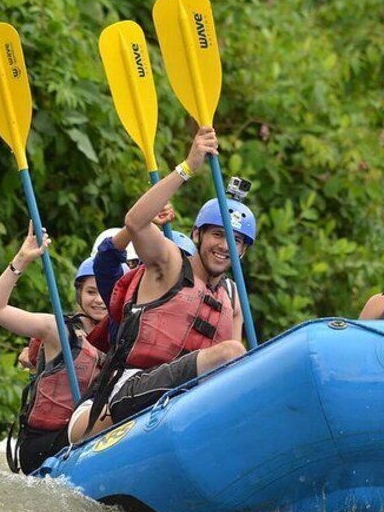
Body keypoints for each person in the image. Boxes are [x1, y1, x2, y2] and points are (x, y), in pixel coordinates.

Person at [69, 127, 252, 442]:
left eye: (235, 241)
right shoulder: (169, 262)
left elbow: (235, 375)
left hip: (185, 407)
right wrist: (188, 167)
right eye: (217, 235)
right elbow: (135, 222)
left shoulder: (232, 297)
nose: (225, 247)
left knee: (238, 361)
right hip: (125, 389)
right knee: (230, 352)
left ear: (244, 251)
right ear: (197, 235)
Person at [0, 222, 106, 473]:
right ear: (79, 293)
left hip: (84, 438)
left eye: (106, 291)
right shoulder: (57, 330)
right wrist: (22, 259)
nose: (99, 300)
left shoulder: (120, 337)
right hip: (43, 444)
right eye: (92, 291)